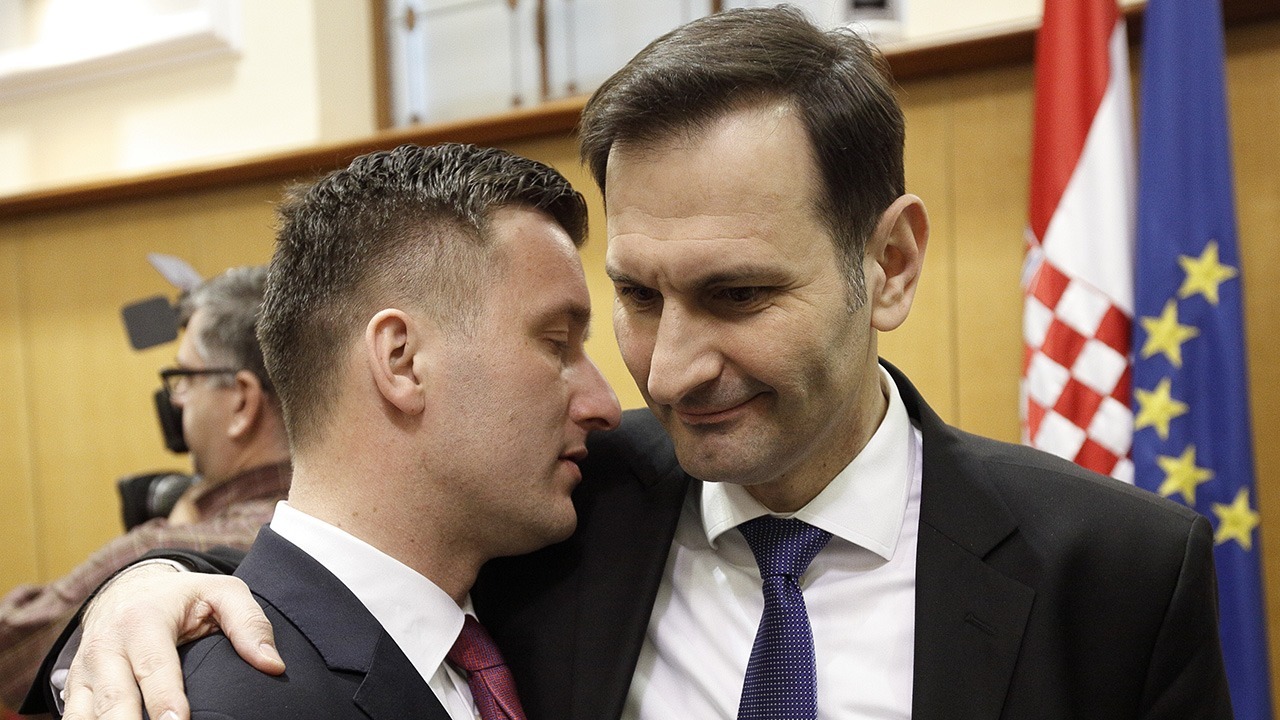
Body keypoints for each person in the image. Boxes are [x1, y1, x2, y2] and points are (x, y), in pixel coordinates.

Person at [27, 7, 1232, 720]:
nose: (670, 372)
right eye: (638, 299)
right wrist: (145, 589)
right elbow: (352, 559)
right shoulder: (575, 507)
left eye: (738, 295)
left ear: (890, 263)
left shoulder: (1114, 575)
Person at [27, 143, 622, 720]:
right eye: (556, 344)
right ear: (402, 361)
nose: (606, 405)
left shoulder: (513, 602)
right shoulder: (222, 704)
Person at [0, 266, 291, 713]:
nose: (175, 400)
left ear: (241, 401)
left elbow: (10, 651)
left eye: (185, 378)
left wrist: (163, 539)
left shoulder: (163, 551)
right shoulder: (333, 526)